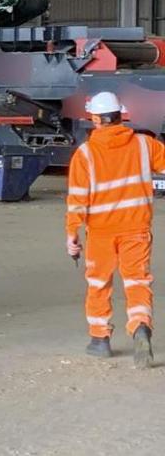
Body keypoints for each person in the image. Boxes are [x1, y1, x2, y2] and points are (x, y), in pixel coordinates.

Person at [66, 91, 165, 367]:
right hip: (137, 228)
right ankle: (140, 326)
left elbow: (77, 199)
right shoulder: (145, 145)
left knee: (99, 284)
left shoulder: (85, 155)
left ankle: (100, 339)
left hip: (101, 232)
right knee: (137, 281)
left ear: (95, 120)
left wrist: (72, 234)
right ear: (121, 116)